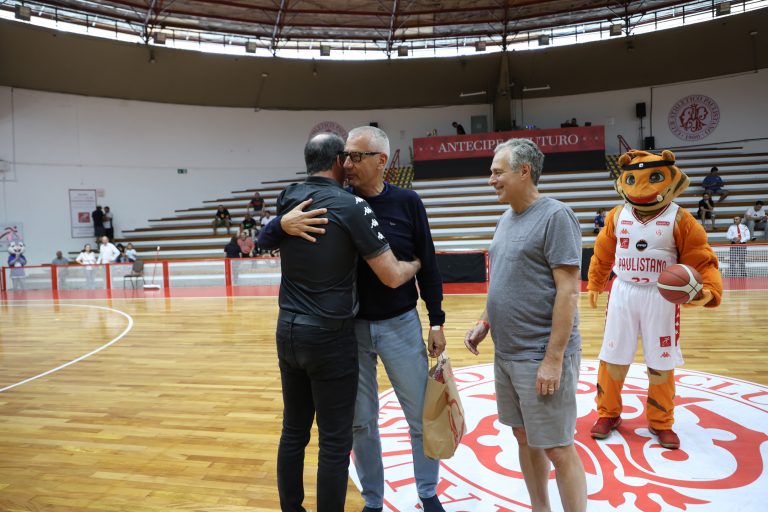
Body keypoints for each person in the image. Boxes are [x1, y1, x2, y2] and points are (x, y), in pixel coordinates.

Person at [272, 125, 447, 512]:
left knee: (420, 416)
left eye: (356, 156)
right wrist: (279, 224)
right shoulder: (337, 202)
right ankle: (373, 500)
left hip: (401, 324)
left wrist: (436, 320)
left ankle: (427, 492)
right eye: (344, 156)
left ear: (382, 161)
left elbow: (428, 263)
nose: (347, 164)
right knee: (361, 422)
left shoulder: (408, 202)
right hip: (348, 331)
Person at [463, 138, 587, 512]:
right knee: (523, 436)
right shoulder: (505, 219)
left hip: (538, 356)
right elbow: (506, 278)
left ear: (524, 171)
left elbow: (568, 292)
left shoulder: (556, 216)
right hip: (507, 353)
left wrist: (553, 360)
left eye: (497, 172)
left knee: (558, 447)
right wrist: (486, 320)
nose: (491, 180)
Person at [588, 150, 723, 450]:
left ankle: (661, 422)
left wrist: (709, 289)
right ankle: (608, 414)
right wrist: (596, 282)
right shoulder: (616, 215)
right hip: (622, 291)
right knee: (612, 357)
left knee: (661, 361)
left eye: (653, 179)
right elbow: (603, 251)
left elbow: (701, 258)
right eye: (632, 180)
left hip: (661, 296)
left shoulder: (681, 218)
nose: (641, 188)